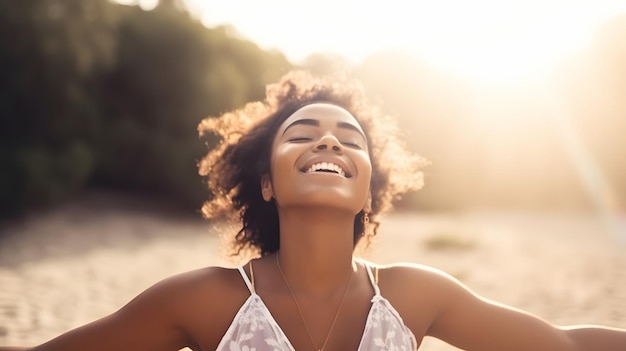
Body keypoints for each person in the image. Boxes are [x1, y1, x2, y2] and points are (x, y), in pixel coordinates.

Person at [2, 70, 625, 351]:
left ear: (367, 191)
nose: (329, 141)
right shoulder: (202, 303)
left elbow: (564, 344)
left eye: (350, 139)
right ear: (266, 183)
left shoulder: (413, 296)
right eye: (303, 134)